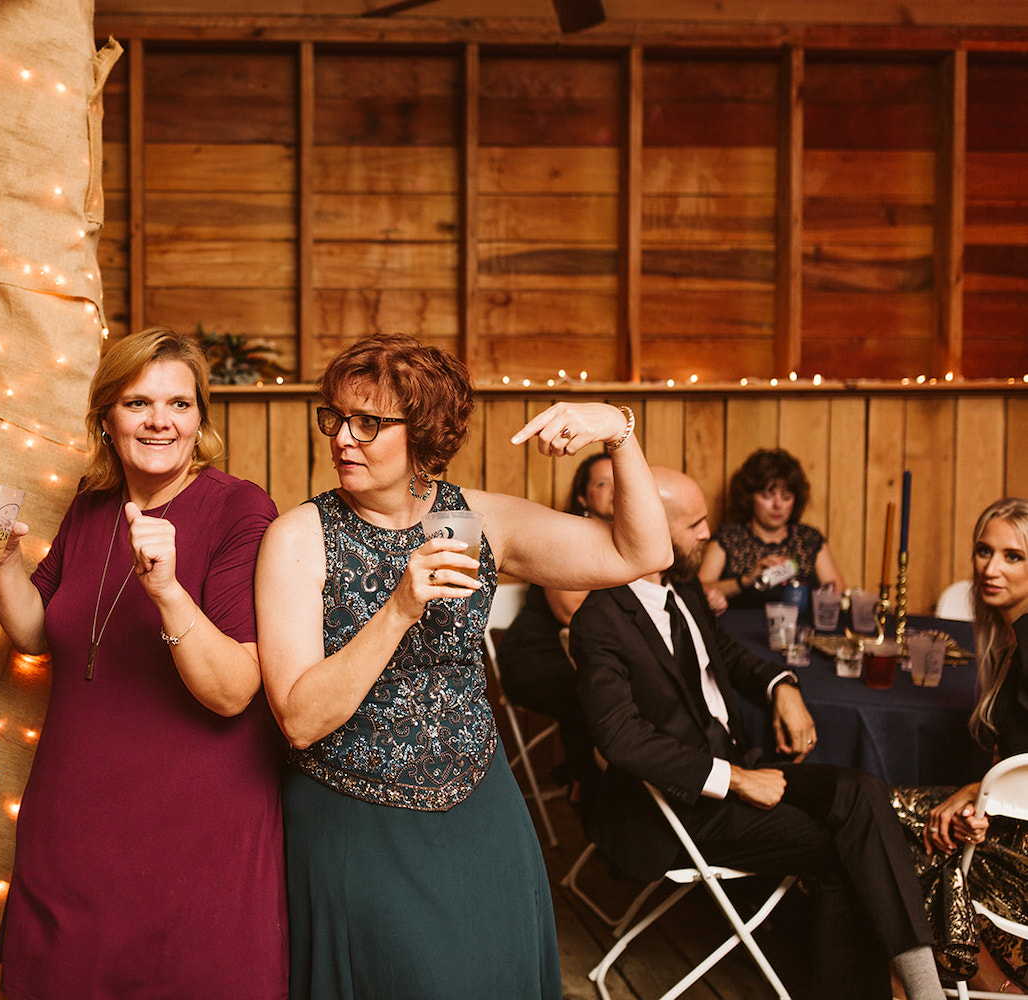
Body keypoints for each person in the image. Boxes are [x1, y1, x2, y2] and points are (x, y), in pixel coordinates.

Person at [255, 333, 673, 999]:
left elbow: (643, 552)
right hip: (354, 817)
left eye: (369, 423)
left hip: (480, 807)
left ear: (422, 433)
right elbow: (300, 720)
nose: (342, 439)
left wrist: (619, 433)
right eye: (335, 418)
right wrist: (397, 609)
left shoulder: (477, 520)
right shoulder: (300, 538)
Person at [0, 328, 286, 1000]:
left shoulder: (238, 508)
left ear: (200, 418)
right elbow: (33, 633)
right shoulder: (92, 504)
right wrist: (2, 562)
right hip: (73, 820)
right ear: (106, 418)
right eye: (138, 403)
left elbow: (233, 692)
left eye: (180, 404)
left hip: (193, 828)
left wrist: (166, 590)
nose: (160, 420)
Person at [572, 467, 943, 1000]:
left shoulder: (681, 587)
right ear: (648, 526)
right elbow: (621, 739)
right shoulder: (599, 620)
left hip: (743, 766)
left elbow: (724, 655)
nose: (707, 534)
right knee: (850, 849)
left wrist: (781, 686)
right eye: (696, 524)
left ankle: (921, 990)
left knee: (861, 792)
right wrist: (737, 780)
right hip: (679, 807)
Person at [891, 497, 1028, 995]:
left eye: (1014, 556)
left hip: (1021, 850)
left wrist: (978, 790)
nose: (991, 568)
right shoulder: (1011, 636)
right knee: (881, 820)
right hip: (1009, 821)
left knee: (874, 820)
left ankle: (950, 984)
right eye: (983, 550)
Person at [494, 451, 616, 813]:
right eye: (603, 483)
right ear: (583, 496)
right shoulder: (566, 536)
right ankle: (593, 791)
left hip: (587, 655)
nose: (615, 491)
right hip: (537, 656)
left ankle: (600, 782)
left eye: (620, 483)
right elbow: (570, 614)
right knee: (596, 690)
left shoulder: (629, 540)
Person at [699, 447, 845, 609]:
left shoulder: (808, 539)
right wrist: (746, 580)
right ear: (749, 497)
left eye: (786, 497)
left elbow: (838, 593)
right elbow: (698, 591)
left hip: (800, 631)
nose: (778, 505)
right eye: (767, 496)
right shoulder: (729, 537)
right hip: (737, 631)